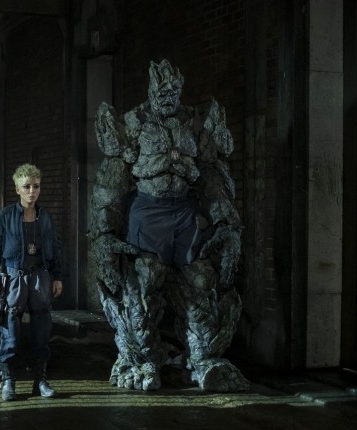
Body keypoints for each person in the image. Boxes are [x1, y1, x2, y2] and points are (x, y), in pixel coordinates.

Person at [90, 59, 249, 392]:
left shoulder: (193, 124)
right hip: (148, 213)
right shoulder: (134, 124)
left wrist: (225, 219)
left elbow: (211, 174)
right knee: (143, 286)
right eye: (162, 91)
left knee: (201, 282)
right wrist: (104, 231)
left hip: (185, 214)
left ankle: (204, 359)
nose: (167, 96)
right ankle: (142, 359)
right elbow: (113, 179)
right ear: (151, 89)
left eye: (173, 91)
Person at [0, 163, 63, 401]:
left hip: (40, 277)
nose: (32, 191)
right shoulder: (5, 216)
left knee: (42, 331)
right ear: (17, 189)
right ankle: (8, 380)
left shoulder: (45, 216)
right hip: (13, 277)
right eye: (27, 186)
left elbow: (55, 247)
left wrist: (57, 276)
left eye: (36, 186)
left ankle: (40, 380)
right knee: (10, 331)